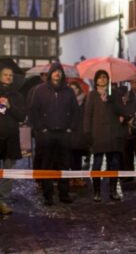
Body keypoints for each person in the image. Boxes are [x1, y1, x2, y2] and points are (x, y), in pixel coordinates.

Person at [29, 62, 78, 206]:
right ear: (50, 73)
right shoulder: (40, 90)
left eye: (60, 71)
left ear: (62, 74)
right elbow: (33, 111)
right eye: (55, 71)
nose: (57, 74)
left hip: (63, 133)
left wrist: (70, 128)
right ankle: (48, 195)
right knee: (47, 166)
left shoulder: (68, 91)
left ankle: (64, 193)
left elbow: (75, 111)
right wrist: (41, 129)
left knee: (64, 165)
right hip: (47, 134)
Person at [84, 70, 126, 202]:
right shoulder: (92, 95)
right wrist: (87, 132)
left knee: (114, 164)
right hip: (98, 135)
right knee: (97, 164)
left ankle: (113, 191)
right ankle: (97, 191)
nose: (102, 79)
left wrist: (110, 99)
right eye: (100, 77)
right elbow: (87, 115)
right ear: (96, 80)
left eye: (105, 77)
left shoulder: (114, 94)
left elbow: (121, 110)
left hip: (113, 135)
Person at [0, 65, 26, 215]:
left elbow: (21, 116)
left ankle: (2, 200)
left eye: (10, 75)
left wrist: (10, 106)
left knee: (8, 171)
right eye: (5, 74)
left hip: (11, 138)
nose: (8, 77)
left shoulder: (17, 96)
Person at [68, 80, 89, 187]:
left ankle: (77, 178)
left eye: (75, 88)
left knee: (78, 156)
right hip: (70, 132)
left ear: (79, 89)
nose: (74, 90)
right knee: (70, 156)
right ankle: (72, 178)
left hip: (81, 132)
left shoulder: (85, 100)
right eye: (71, 88)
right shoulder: (67, 101)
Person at [123, 80, 136, 173]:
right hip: (127, 131)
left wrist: (135, 120)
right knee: (127, 156)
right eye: (133, 83)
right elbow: (122, 111)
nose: (135, 85)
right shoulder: (126, 96)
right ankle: (129, 175)